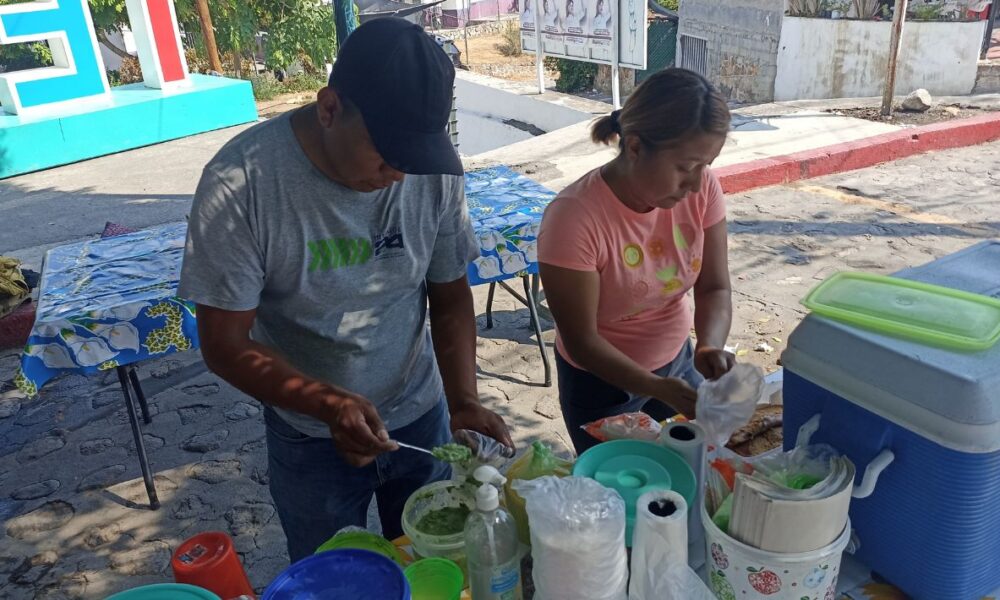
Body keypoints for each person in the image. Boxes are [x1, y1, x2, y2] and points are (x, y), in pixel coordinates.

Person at [179, 18, 512, 563]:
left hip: (419, 410)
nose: (400, 177)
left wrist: (465, 401)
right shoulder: (241, 183)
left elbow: (449, 294)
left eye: (413, 159)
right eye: (386, 154)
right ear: (329, 107)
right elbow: (224, 344)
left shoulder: (429, 172)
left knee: (437, 564)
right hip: (310, 437)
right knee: (331, 572)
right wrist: (328, 404)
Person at [538, 68, 735, 455]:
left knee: (692, 471)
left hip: (678, 363)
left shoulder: (702, 189)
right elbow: (583, 343)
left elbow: (715, 286)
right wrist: (655, 387)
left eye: (705, 166)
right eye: (684, 167)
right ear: (635, 148)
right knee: (623, 491)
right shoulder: (573, 219)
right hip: (601, 383)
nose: (696, 184)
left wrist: (709, 345)